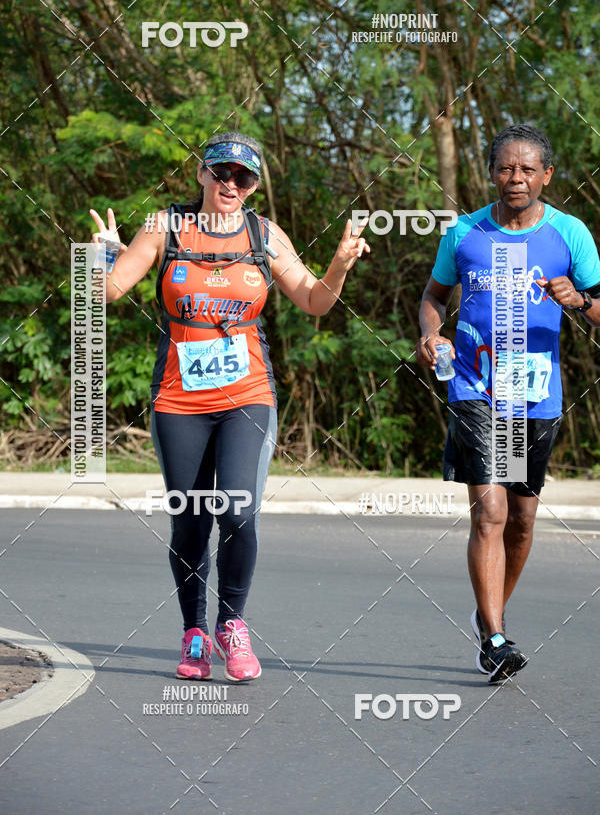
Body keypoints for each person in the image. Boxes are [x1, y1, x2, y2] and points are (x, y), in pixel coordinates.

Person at [90, 131, 369, 682]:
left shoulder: (265, 234)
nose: (230, 184)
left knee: (238, 512)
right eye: (221, 172)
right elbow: (106, 293)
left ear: (254, 186)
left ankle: (232, 626)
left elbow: (315, 301)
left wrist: (338, 264)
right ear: (201, 174)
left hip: (248, 395)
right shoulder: (162, 227)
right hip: (178, 399)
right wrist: (101, 255)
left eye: (243, 177)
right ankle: (194, 632)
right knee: (191, 520)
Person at [415, 123, 600, 683]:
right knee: (490, 513)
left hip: (534, 395)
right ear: (490, 171)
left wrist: (580, 299)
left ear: (546, 175)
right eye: (504, 168)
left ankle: (487, 610)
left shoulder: (570, 235)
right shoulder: (465, 233)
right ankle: (495, 638)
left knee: (520, 521)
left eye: (527, 170)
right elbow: (433, 296)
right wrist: (431, 334)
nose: (514, 179)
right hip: (475, 386)